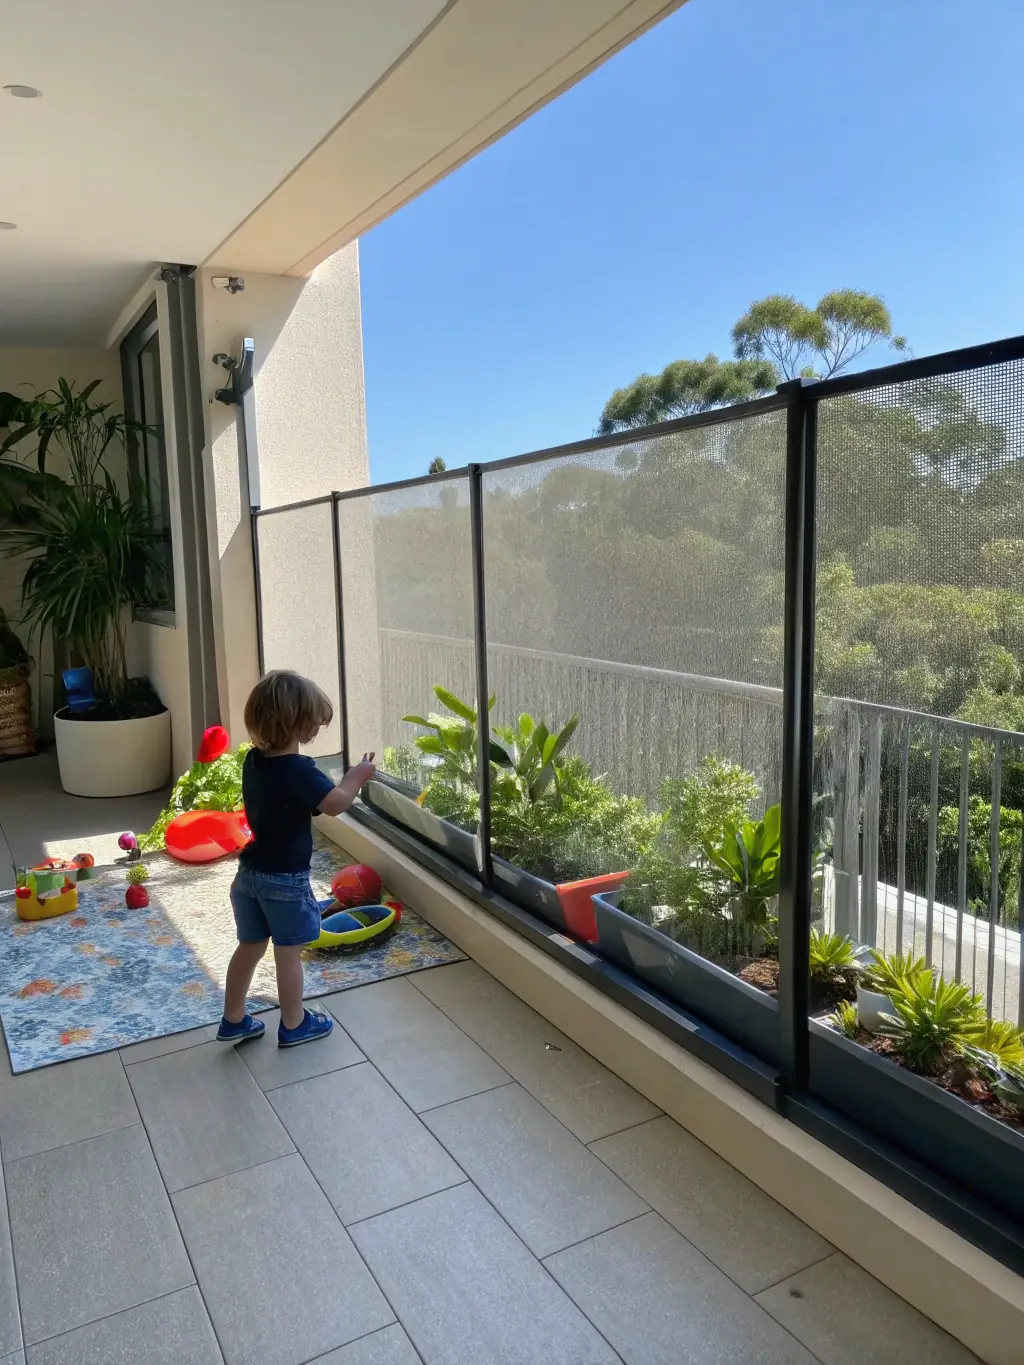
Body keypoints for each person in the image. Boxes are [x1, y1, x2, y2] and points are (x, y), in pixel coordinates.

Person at [217, 671, 376, 1048]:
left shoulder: (253, 761)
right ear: (299, 725)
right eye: (313, 724)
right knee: (288, 954)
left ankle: (233, 1019)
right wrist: (357, 777)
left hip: (249, 876)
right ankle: (294, 1023)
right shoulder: (298, 769)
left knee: (250, 947)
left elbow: (286, 802)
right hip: (284, 881)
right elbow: (335, 804)